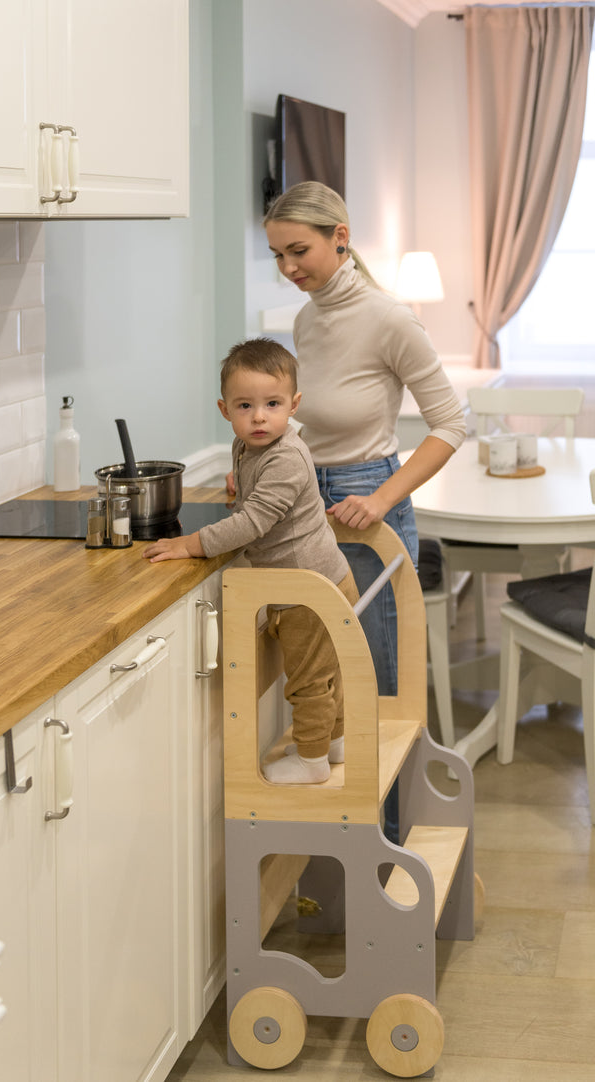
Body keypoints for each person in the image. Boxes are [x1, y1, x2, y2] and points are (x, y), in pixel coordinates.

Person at [261, 181, 467, 838]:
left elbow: (450, 425)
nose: (290, 269)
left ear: (340, 238)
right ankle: (342, 853)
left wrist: (380, 497)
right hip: (306, 505)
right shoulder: (307, 318)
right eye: (278, 256)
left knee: (375, 688)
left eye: (300, 251)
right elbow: (304, 425)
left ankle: (391, 848)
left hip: (365, 508)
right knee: (322, 677)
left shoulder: (388, 318)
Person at [143, 337, 358, 785]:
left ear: (294, 405)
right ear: (225, 410)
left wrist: (190, 544)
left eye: (272, 404)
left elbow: (254, 522)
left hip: (310, 590)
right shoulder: (249, 448)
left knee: (309, 681)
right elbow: (254, 497)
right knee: (323, 673)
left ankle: (313, 760)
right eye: (245, 406)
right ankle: (333, 742)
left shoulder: (287, 457)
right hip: (308, 583)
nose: (259, 417)